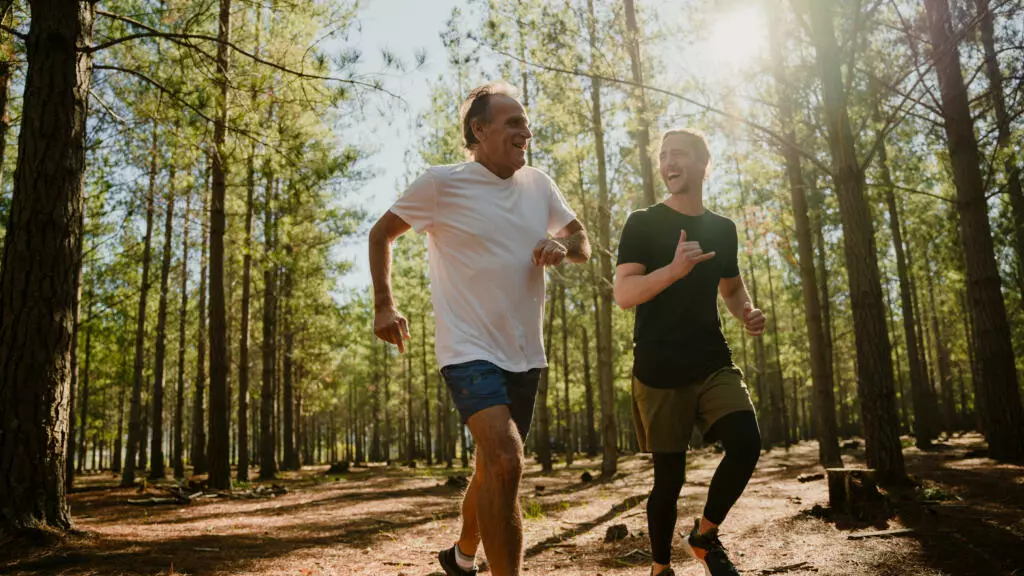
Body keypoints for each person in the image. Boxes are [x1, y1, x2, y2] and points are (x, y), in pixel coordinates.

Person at [368, 81, 590, 576]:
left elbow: (582, 242)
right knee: (508, 462)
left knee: (492, 468)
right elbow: (381, 232)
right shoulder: (441, 184)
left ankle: (462, 555)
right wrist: (385, 304)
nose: (526, 132)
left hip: (525, 353)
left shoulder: (539, 184)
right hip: (467, 349)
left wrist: (563, 248)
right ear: (479, 130)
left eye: (526, 123)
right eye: (514, 123)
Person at [613, 128, 766, 576]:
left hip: (711, 359)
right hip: (659, 367)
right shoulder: (642, 223)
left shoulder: (723, 229)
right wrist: (675, 270)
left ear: (703, 162)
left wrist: (747, 311)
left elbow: (733, 288)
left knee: (746, 443)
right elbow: (624, 294)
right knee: (669, 481)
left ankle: (704, 535)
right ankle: (661, 568)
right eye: (663, 156)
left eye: (678, 154)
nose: (668, 163)